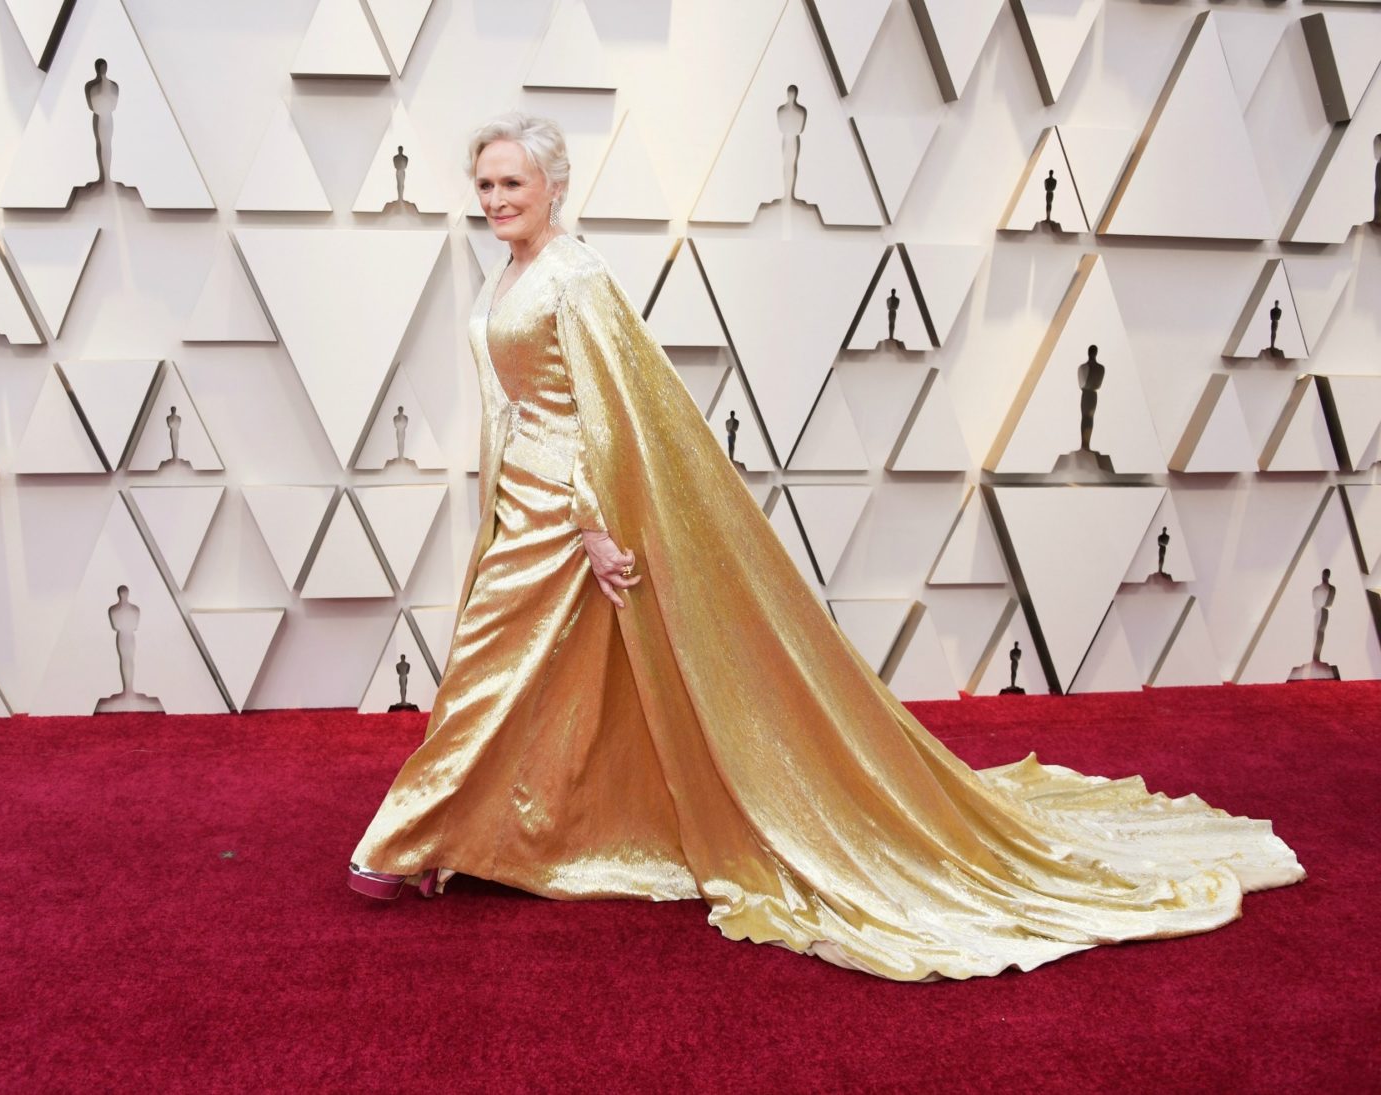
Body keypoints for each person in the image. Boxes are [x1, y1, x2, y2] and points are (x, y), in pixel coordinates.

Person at [346, 112, 1306, 982]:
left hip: (566, 510)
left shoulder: (575, 273)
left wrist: (595, 522)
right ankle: (473, 832)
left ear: (553, 185)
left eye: (513, 183)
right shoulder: (512, 273)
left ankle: (398, 842)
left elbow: (613, 410)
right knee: (550, 686)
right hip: (522, 500)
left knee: (489, 671)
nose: (497, 200)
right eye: (486, 186)